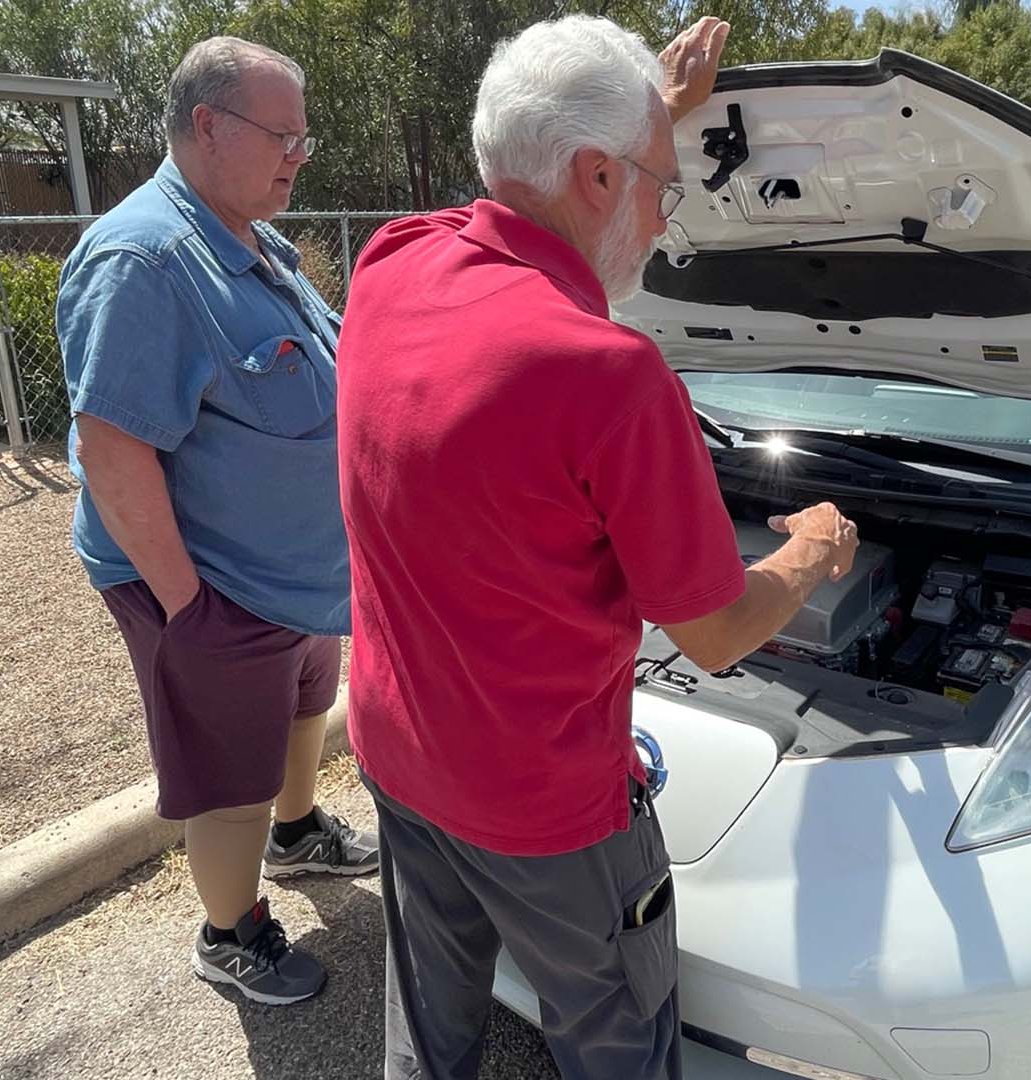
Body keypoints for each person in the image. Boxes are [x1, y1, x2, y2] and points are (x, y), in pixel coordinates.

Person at [335, 15, 859, 1080]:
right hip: (547, 821)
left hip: (399, 755)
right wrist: (812, 550)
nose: (666, 221)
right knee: (615, 1038)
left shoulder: (391, 262)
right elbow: (714, 636)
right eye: (662, 184)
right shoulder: (609, 373)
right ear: (595, 176)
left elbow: (544, 170)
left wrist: (656, 111)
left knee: (428, 1032)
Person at [56, 36, 376, 1008]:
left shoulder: (245, 234)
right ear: (208, 125)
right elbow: (113, 450)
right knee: (229, 772)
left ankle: (296, 831)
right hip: (216, 587)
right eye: (283, 134)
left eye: (301, 139)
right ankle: (230, 931)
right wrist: (191, 611)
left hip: (285, 579)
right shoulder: (143, 259)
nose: (298, 155)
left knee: (301, 706)